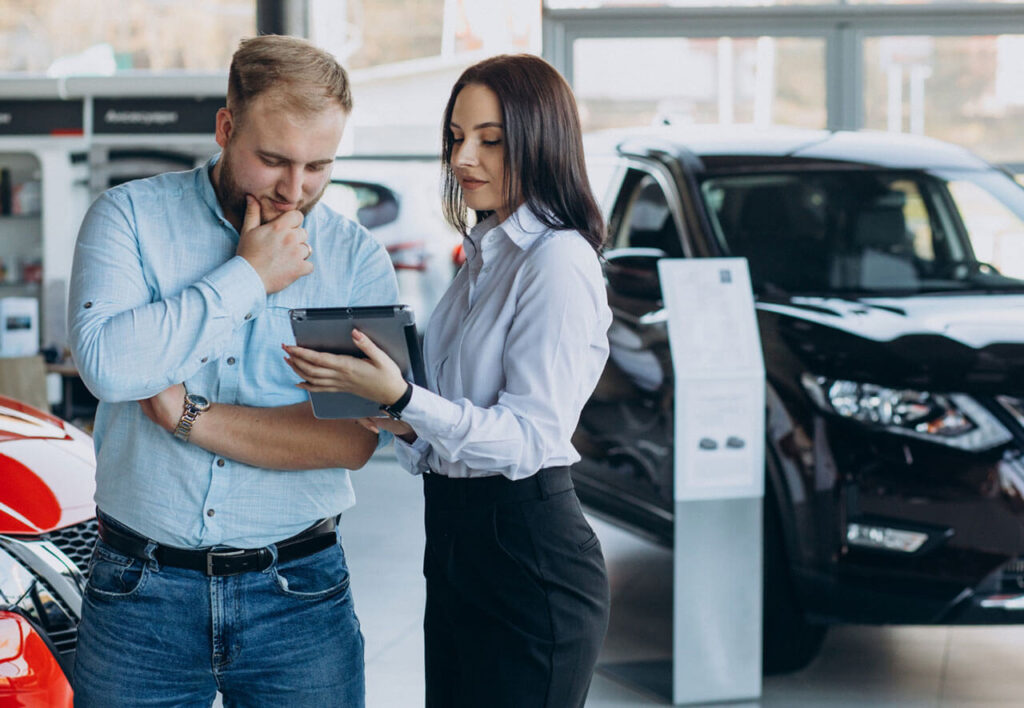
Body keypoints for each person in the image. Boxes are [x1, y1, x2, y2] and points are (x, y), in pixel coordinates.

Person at [68, 35, 397, 707]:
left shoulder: (356, 258)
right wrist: (249, 276)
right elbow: (109, 367)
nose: (295, 190)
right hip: (138, 593)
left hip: (299, 596)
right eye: (273, 160)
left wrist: (190, 417)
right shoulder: (126, 219)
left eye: (319, 166)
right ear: (225, 128)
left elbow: (352, 439)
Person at [285, 53, 612, 708]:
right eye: (456, 137)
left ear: (540, 140)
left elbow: (526, 440)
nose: (464, 158)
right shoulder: (484, 255)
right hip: (457, 539)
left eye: (490, 140)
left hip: (530, 552)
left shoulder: (556, 262)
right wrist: (397, 414)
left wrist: (406, 397)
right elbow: (456, 418)